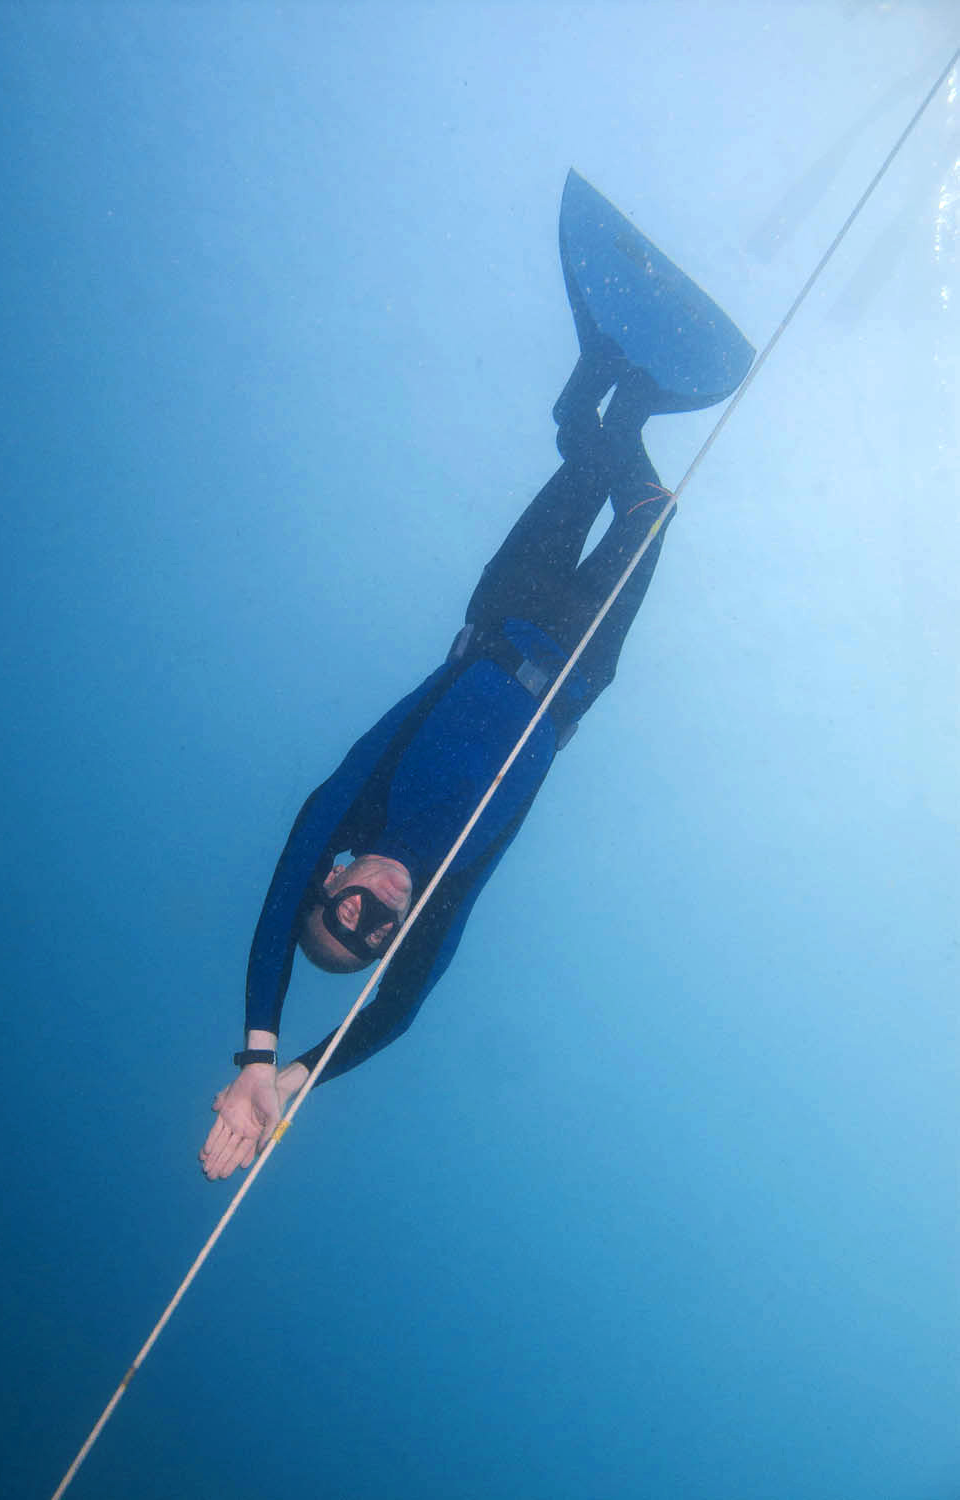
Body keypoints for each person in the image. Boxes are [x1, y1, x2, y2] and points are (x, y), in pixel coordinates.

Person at [200, 172, 754, 1182]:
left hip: (502, 615)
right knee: (650, 508)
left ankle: (598, 378)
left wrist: (259, 1056)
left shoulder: (356, 809)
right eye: (375, 936)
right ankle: (631, 394)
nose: (376, 910)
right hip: (580, 668)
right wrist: (306, 1081)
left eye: (347, 911)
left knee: (586, 462)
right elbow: (401, 1008)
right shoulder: (444, 892)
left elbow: (282, 886)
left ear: (334, 882)